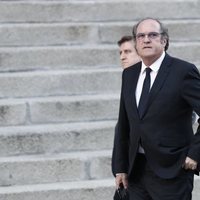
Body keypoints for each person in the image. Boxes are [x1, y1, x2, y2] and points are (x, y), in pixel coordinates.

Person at [112, 17, 200, 200]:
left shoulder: (183, 72)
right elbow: (124, 123)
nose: (146, 40)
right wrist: (120, 167)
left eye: (152, 35)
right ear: (136, 42)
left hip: (172, 170)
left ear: (164, 40)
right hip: (136, 171)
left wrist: (195, 154)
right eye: (141, 36)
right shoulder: (129, 74)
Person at [112, 36, 140, 177]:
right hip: (131, 165)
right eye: (120, 53)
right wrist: (120, 168)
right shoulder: (128, 78)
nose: (122, 57)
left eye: (128, 52)